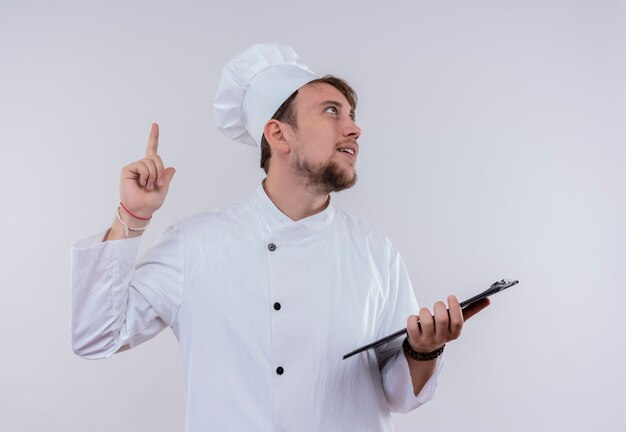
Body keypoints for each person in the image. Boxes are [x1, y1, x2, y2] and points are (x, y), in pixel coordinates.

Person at [71, 43, 489, 432]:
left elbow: (398, 395)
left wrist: (424, 350)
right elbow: (95, 336)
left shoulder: (376, 252)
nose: (355, 128)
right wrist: (134, 215)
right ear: (278, 134)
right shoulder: (196, 244)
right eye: (332, 111)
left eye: (352, 115)